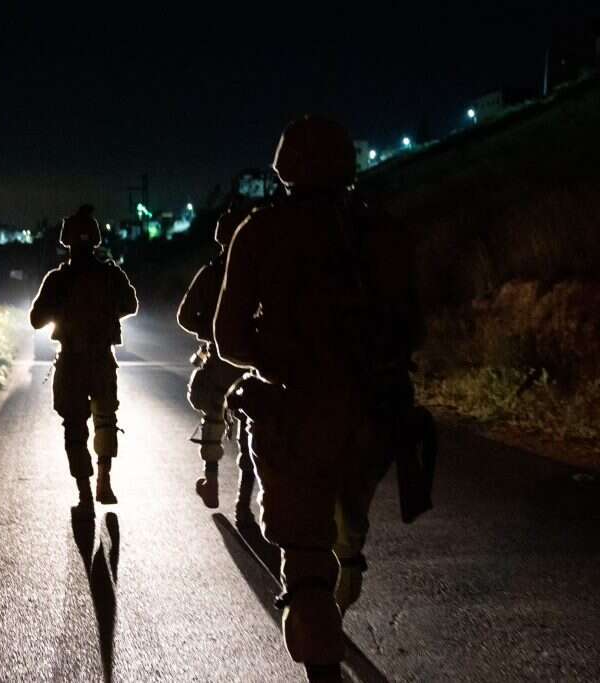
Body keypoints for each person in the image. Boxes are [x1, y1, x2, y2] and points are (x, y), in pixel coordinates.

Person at [213, 116, 425, 683]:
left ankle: (324, 655)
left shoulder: (260, 232)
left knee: (305, 558)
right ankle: (340, 594)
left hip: (298, 418)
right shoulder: (381, 230)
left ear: (285, 166)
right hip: (375, 418)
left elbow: (229, 338)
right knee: (347, 529)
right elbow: (414, 328)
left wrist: (279, 361)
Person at [30, 205, 139, 519]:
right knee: (105, 420)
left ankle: (85, 492)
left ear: (66, 241)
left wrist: (61, 311)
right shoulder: (111, 274)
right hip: (102, 360)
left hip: (71, 363)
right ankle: (104, 479)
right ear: (95, 238)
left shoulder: (57, 280)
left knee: (74, 426)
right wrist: (106, 313)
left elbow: (36, 319)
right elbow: (131, 305)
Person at [176, 196, 256, 524]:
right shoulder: (262, 272)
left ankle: (211, 480)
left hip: (221, 357)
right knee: (254, 426)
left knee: (213, 414)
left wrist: (209, 332)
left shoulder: (210, 274)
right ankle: (243, 504)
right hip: (254, 358)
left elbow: (184, 316)